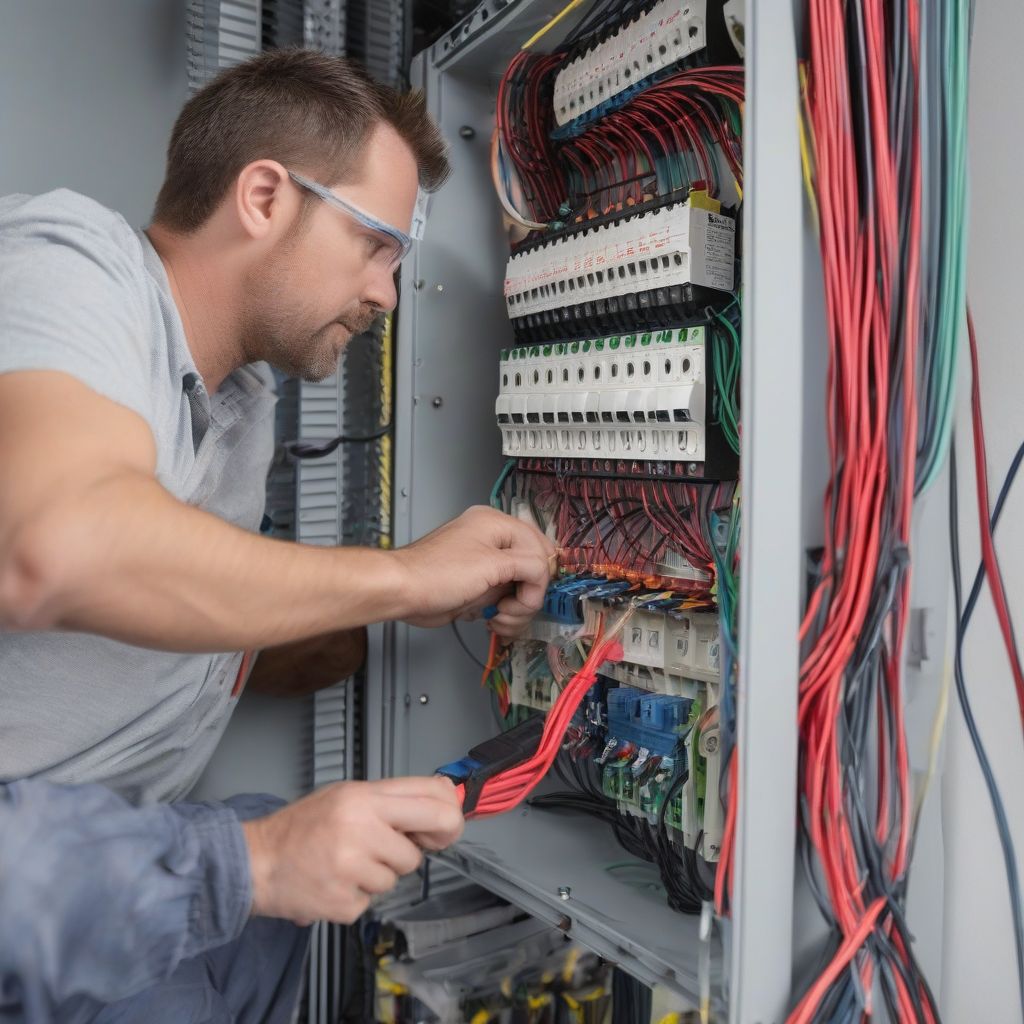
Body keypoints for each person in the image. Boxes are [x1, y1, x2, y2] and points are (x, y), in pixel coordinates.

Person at [0, 48, 554, 1022]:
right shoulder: (68, 263)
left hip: (107, 860)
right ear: (263, 196)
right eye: (377, 243)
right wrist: (400, 578)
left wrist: (431, 621)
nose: (388, 293)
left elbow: (190, 632)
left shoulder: (236, 400)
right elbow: (57, 549)